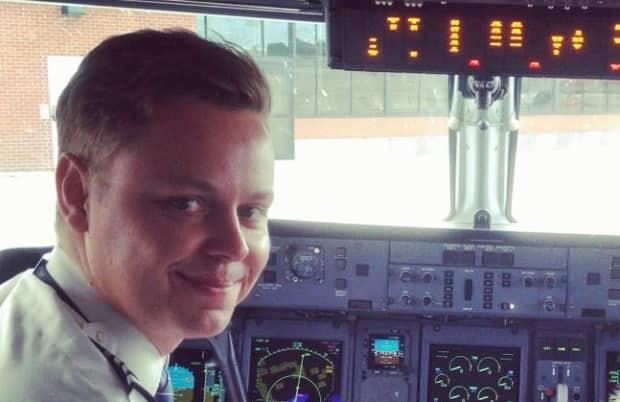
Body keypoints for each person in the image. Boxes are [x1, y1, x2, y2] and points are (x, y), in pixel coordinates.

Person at [0, 29, 274, 401]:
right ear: (78, 195)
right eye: (186, 204)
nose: (235, 247)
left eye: (250, 211)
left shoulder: (28, 304)